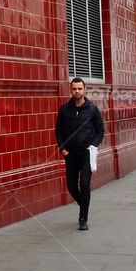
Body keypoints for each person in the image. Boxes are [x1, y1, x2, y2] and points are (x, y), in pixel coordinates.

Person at [55, 77, 104, 230]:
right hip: (70, 154)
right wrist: (62, 148)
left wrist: (93, 146)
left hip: (86, 154)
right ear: (70, 89)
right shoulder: (64, 109)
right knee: (71, 185)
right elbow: (59, 131)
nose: (77, 91)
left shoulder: (92, 109)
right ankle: (84, 203)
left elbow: (100, 130)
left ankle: (83, 218)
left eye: (79, 89)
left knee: (84, 183)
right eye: (74, 89)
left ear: (85, 89)